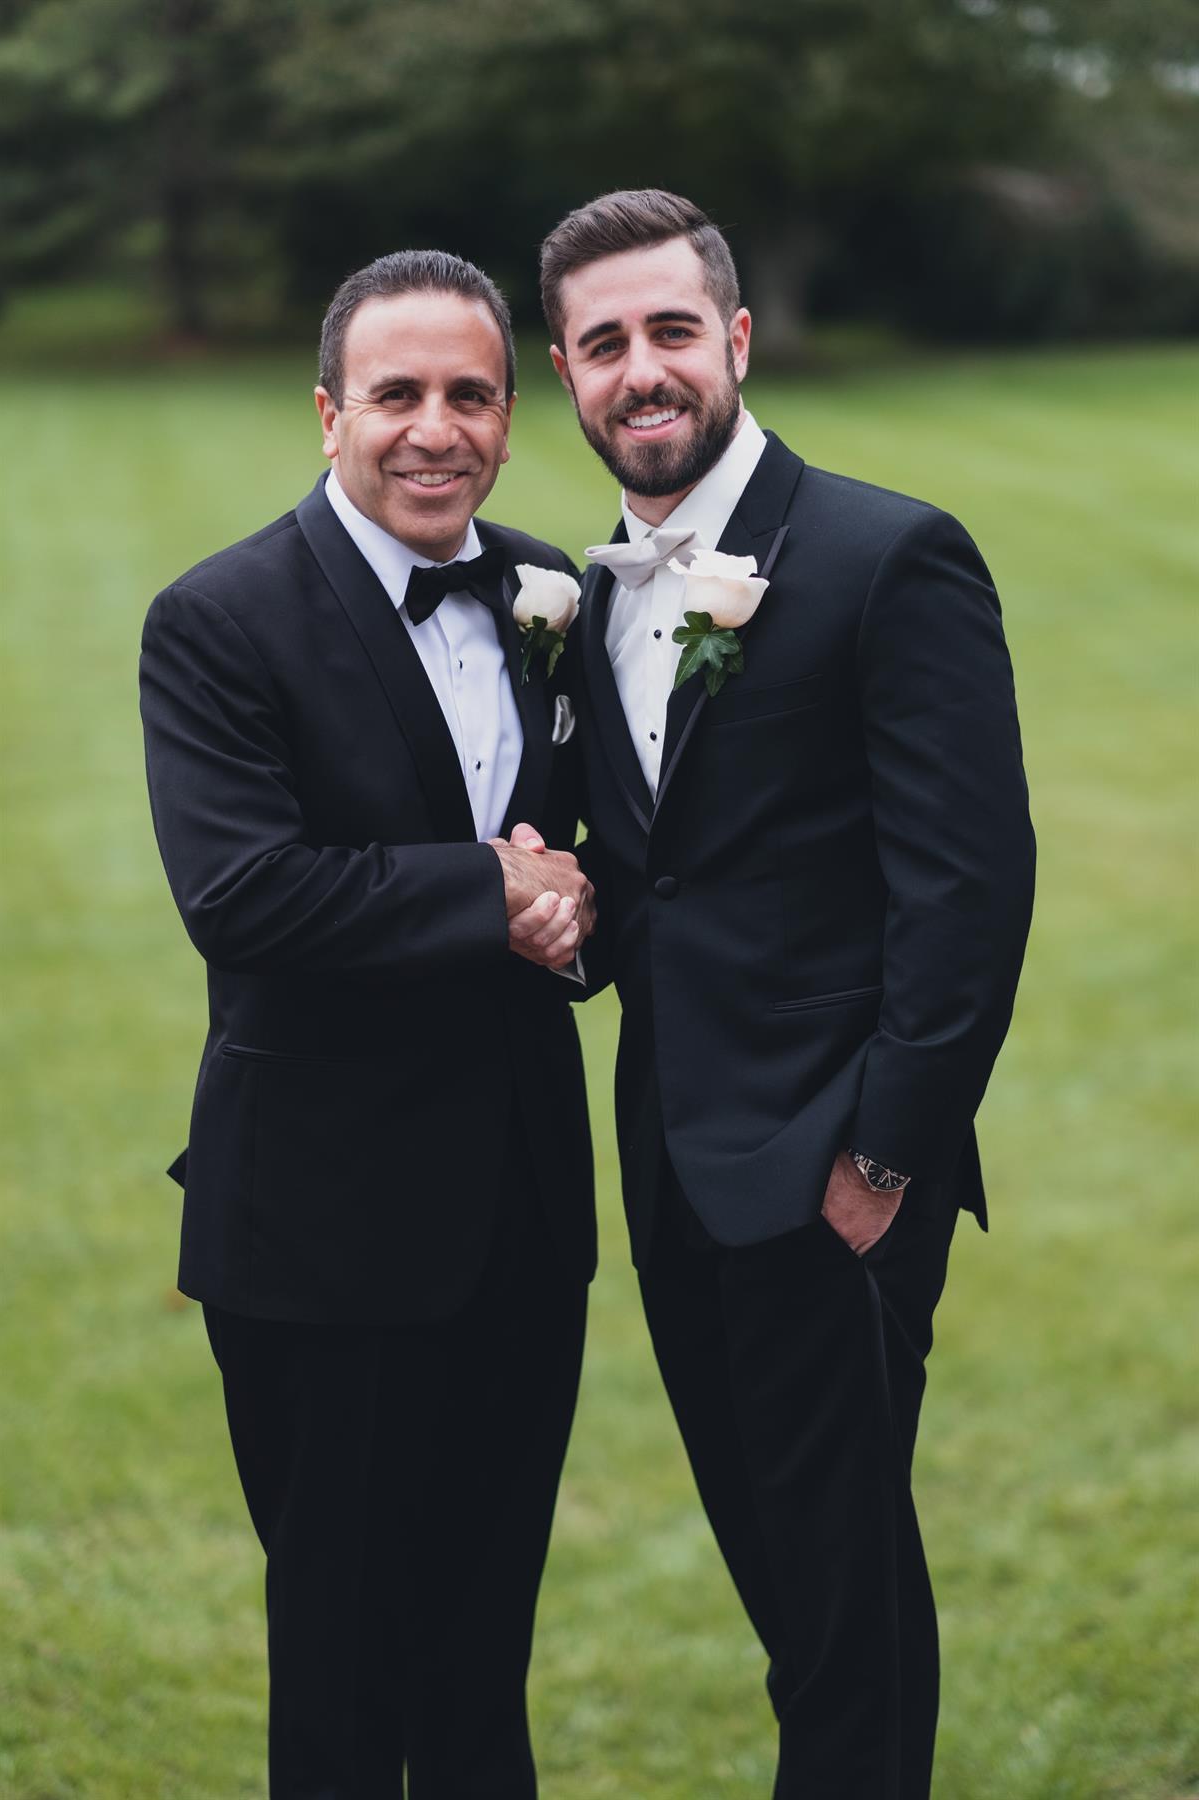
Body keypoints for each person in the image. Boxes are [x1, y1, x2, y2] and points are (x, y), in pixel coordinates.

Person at [540, 189, 1036, 1798]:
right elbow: (662, 878)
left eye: (671, 330)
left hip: (836, 1176)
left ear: (737, 339)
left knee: (840, 1606)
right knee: (790, 1589)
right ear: (568, 372)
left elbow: (970, 892)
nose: (642, 369)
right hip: (677, 1171)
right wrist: (557, 915)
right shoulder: (592, 600)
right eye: (603, 343)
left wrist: (882, 1157)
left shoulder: (891, 557)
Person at [139, 249, 597, 1798]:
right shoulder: (219, 618)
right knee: (340, 1679)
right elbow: (245, 895)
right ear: (329, 412)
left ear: (511, 417)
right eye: (397, 393)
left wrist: (577, 911)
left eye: (472, 394)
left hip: (523, 1222)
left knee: (482, 1667)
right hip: (321, 1237)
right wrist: (495, 891)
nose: (436, 428)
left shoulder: (547, 593)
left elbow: (590, 861)